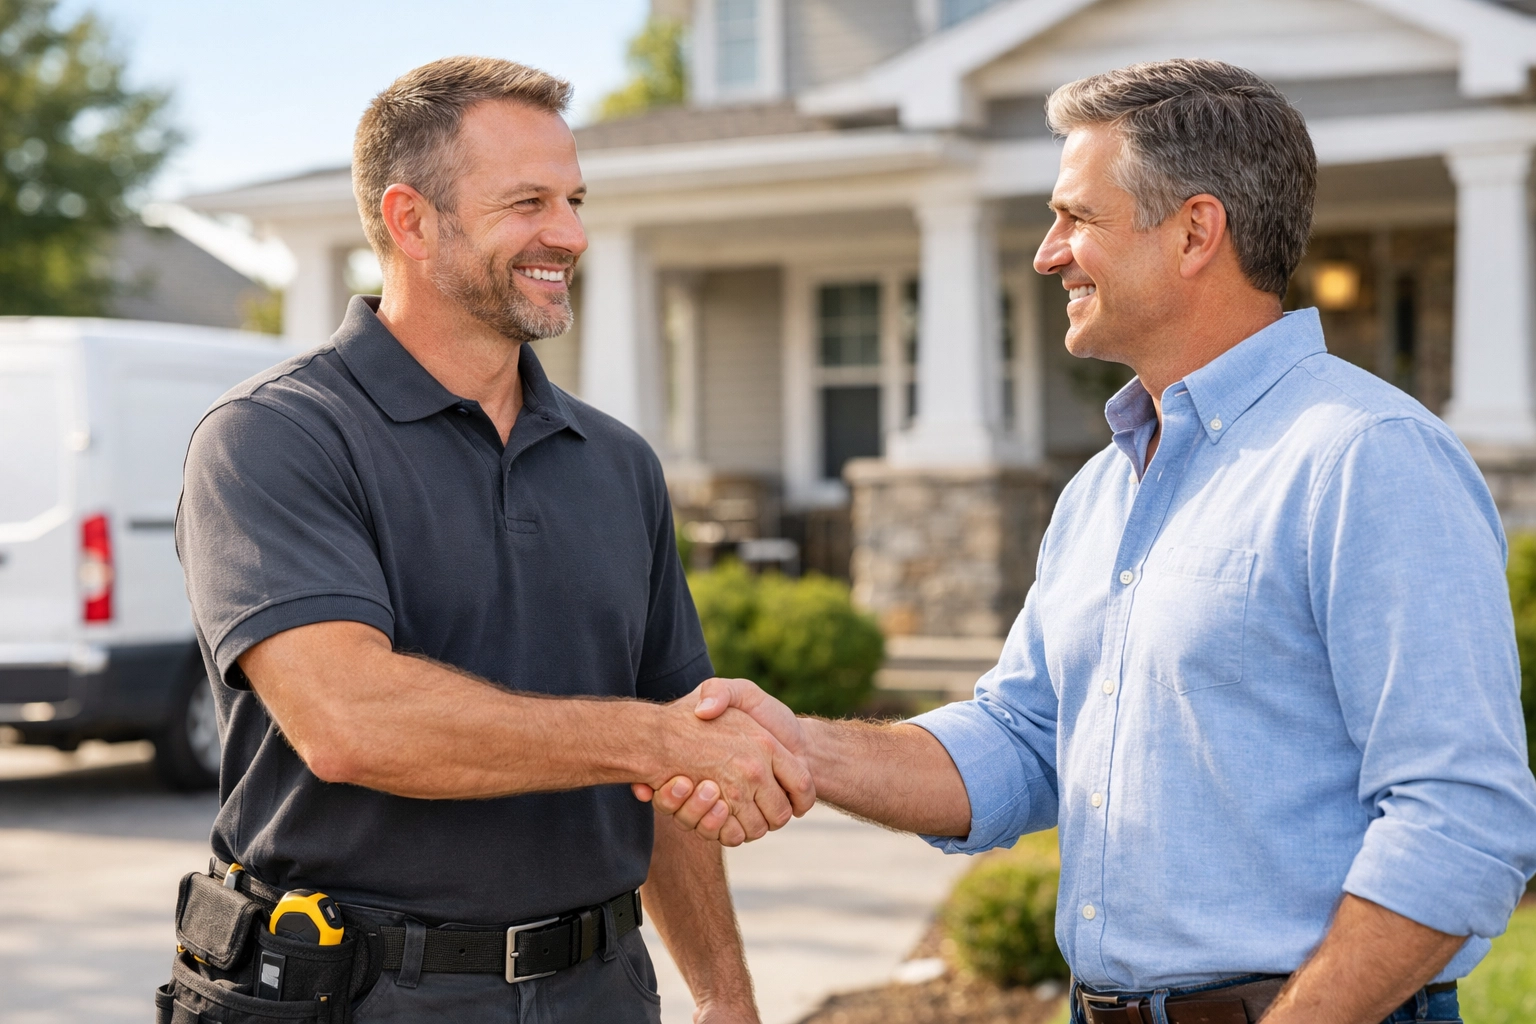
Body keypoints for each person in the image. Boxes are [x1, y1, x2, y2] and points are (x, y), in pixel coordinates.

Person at [644, 59, 1536, 1024]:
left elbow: (1462, 824)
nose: (1048, 253)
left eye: (1078, 218)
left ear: (1196, 231)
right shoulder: (1104, 488)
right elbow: (1024, 742)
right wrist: (799, 748)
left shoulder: (1367, 458)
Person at [171, 57, 810, 1024]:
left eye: (575, 200)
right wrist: (652, 739)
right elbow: (351, 721)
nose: (571, 234)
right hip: (357, 995)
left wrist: (727, 998)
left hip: (603, 990)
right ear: (410, 218)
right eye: (528, 202)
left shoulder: (619, 463)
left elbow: (681, 755)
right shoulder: (274, 437)